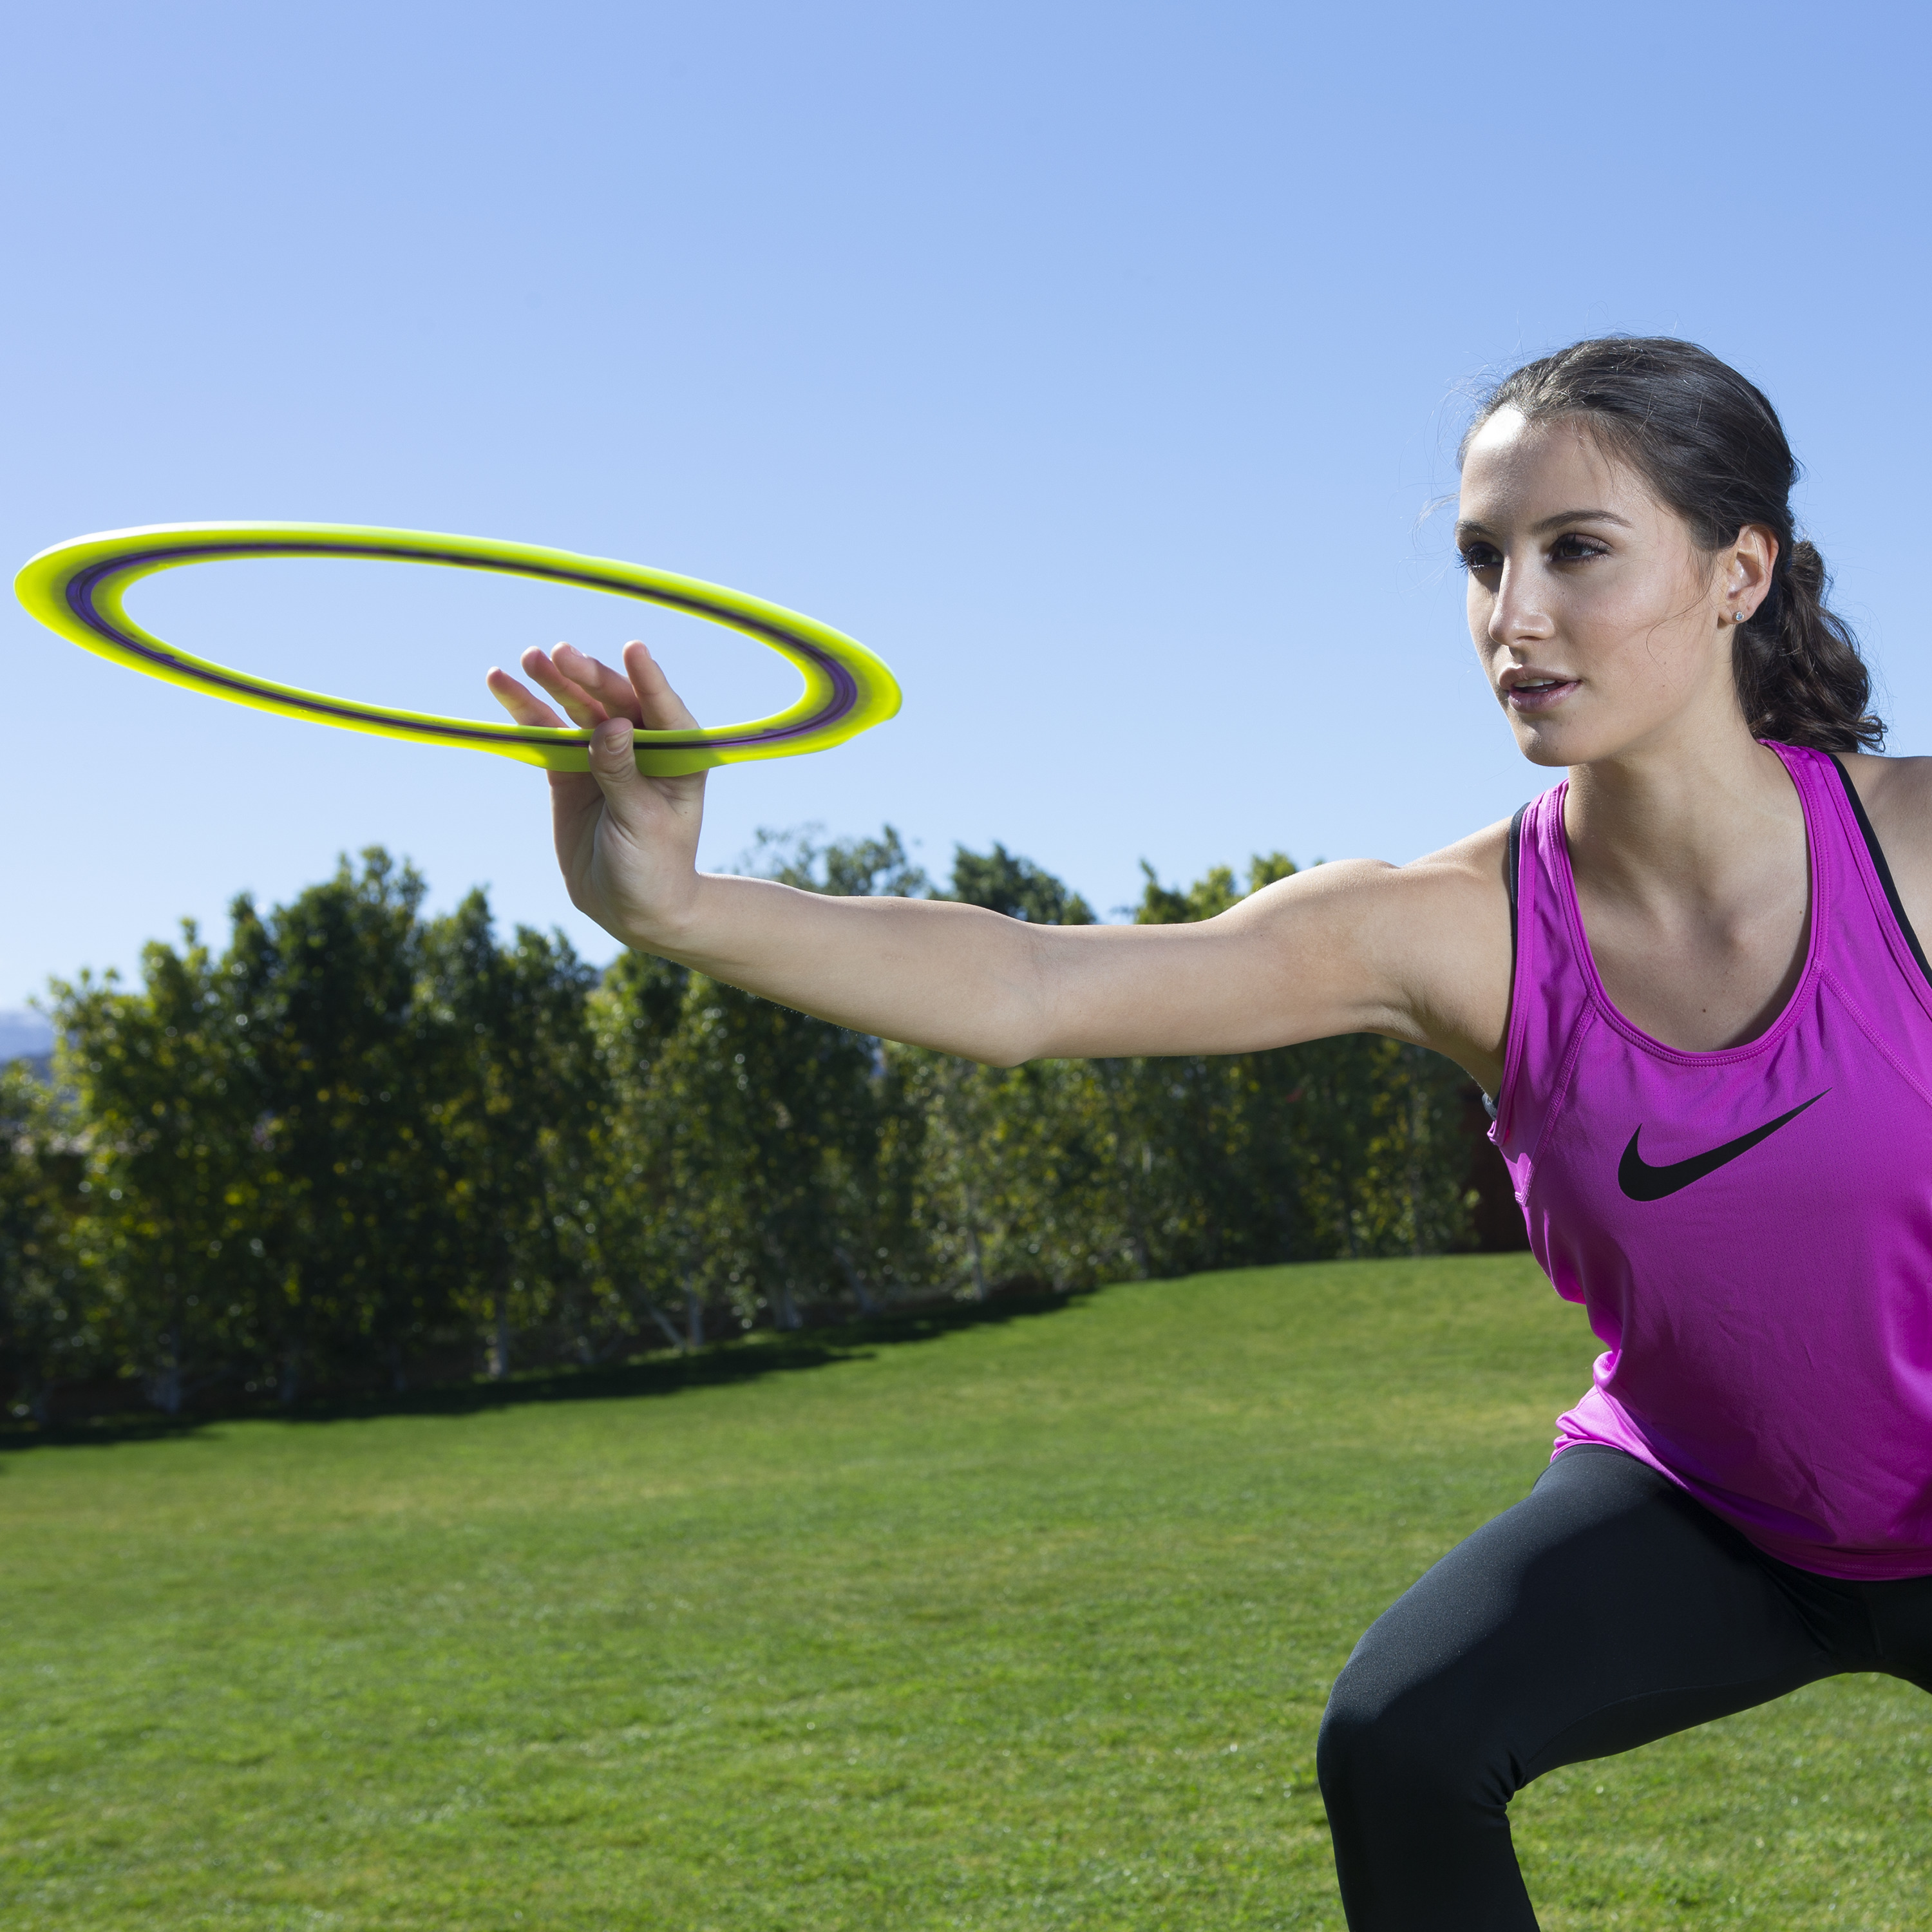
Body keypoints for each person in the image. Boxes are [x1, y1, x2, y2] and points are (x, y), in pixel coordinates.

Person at [485, 337, 1932, 1929]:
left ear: (1740, 572)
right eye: (1481, 559)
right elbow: (1037, 982)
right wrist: (676, 907)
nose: (1511, 617)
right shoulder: (1453, 930)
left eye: (1577, 550)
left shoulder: (1914, 858)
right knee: (1402, 1739)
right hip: (1711, 1505)